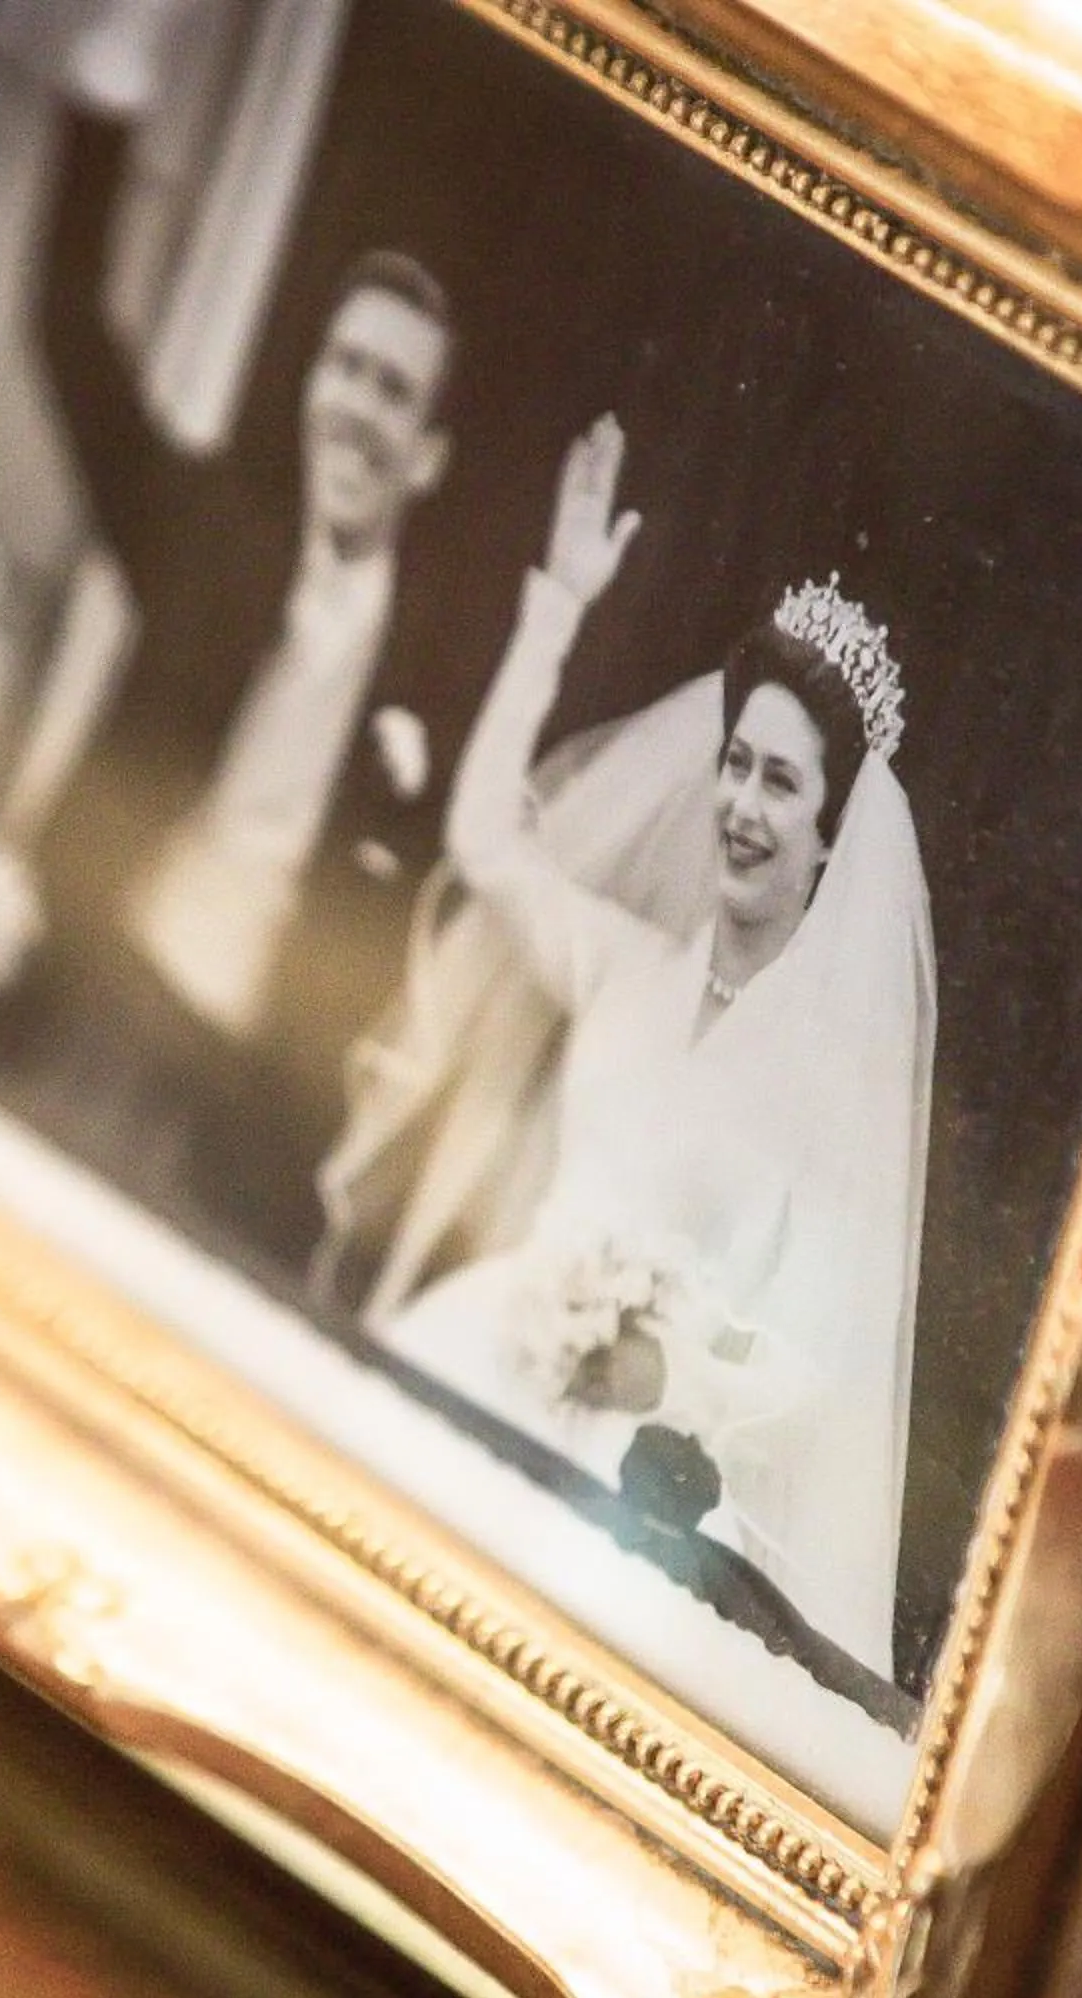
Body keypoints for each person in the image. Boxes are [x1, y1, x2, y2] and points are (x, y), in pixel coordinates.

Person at [366, 414, 936, 1677]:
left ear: (832, 830)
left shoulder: (830, 1084)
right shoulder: (625, 963)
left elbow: (817, 1357)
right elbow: (483, 846)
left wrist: (664, 1369)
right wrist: (556, 609)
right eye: (736, 764)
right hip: (490, 1352)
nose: (739, 804)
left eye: (781, 782)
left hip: (647, 1483)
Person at [0, 103, 474, 1274]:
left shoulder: (440, 685)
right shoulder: (204, 539)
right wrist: (110, 89)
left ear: (428, 451)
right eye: (345, 367)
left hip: (238, 1121)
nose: (357, 404)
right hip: (79, 1005)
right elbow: (67, 327)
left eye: (394, 388)